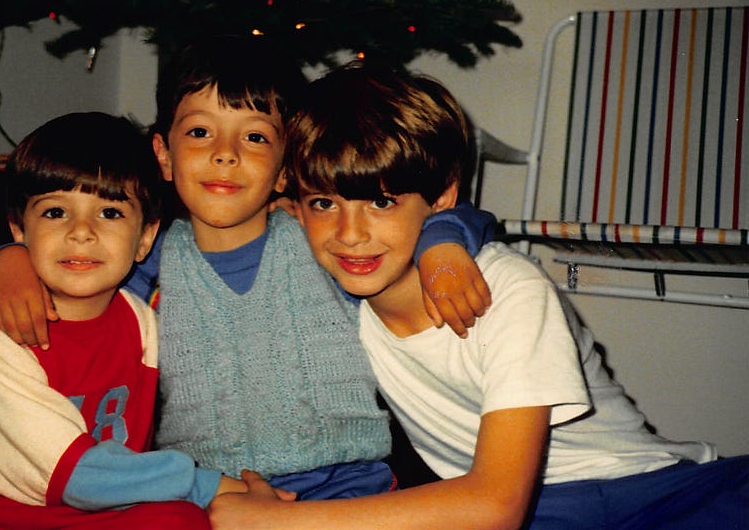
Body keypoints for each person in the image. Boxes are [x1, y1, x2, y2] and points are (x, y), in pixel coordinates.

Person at [208, 62, 749, 529]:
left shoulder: (510, 291)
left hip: (637, 490)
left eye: (382, 202)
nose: (350, 234)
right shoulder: (324, 284)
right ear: (297, 206)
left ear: (442, 199)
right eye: (325, 204)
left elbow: (495, 506)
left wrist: (281, 521)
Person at [0, 35, 499, 501]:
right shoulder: (145, 259)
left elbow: (425, 215)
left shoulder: (322, 236)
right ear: (163, 154)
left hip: (350, 490)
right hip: (212, 498)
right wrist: (8, 261)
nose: (225, 155)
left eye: (254, 138)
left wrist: (441, 246)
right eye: (201, 132)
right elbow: (69, 273)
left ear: (285, 167)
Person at [0, 113, 237, 530]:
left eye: (109, 213)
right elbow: (76, 476)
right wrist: (210, 486)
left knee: (177, 521)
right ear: (19, 228)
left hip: (103, 512)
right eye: (54, 213)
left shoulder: (142, 321)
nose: (81, 232)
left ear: (144, 239)